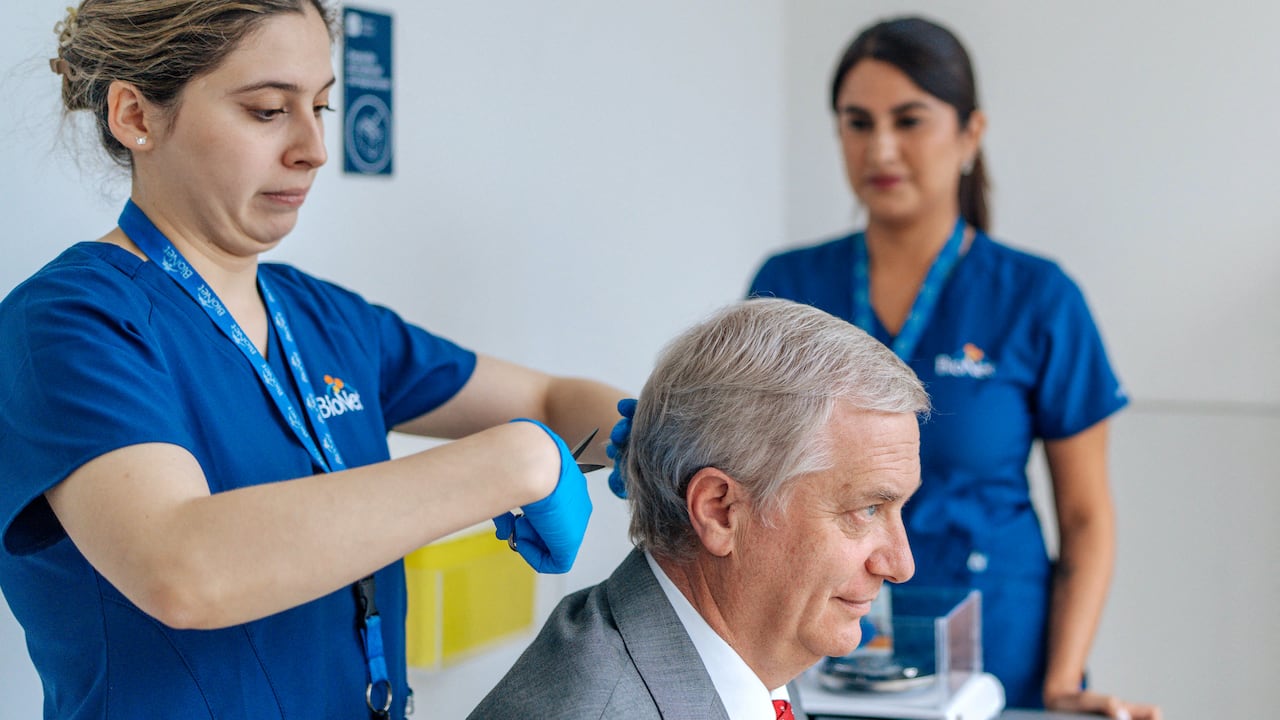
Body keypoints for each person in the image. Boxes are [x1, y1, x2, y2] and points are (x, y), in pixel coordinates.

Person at [0, 2, 626, 718]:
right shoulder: (66, 325)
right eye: (268, 111)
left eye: (321, 106)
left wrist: (670, 438)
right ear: (136, 116)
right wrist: (511, 465)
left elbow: (549, 403)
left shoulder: (323, 318)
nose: (313, 148)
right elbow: (181, 568)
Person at [747, 16, 1160, 719]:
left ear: (970, 134)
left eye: (910, 120)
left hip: (999, 655)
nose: (881, 147)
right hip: (827, 647)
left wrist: (1062, 684)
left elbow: (1087, 517)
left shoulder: (1037, 298)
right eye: (857, 122)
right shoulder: (788, 286)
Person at [469, 298, 929, 719]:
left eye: (898, 509)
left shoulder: (759, 656)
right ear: (720, 511)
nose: (901, 565)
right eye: (867, 509)